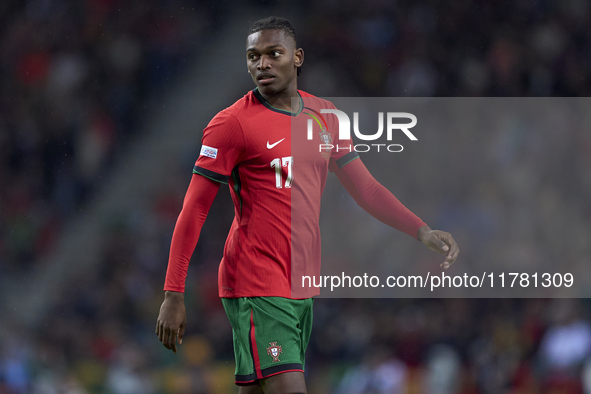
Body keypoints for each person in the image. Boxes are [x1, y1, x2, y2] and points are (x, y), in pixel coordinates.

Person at [155, 16, 459, 394]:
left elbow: (365, 188)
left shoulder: (326, 116)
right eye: (253, 56)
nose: (261, 64)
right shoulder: (231, 124)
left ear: (297, 57)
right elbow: (194, 208)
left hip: (301, 284)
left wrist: (421, 230)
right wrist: (173, 292)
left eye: (272, 54)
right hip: (256, 281)